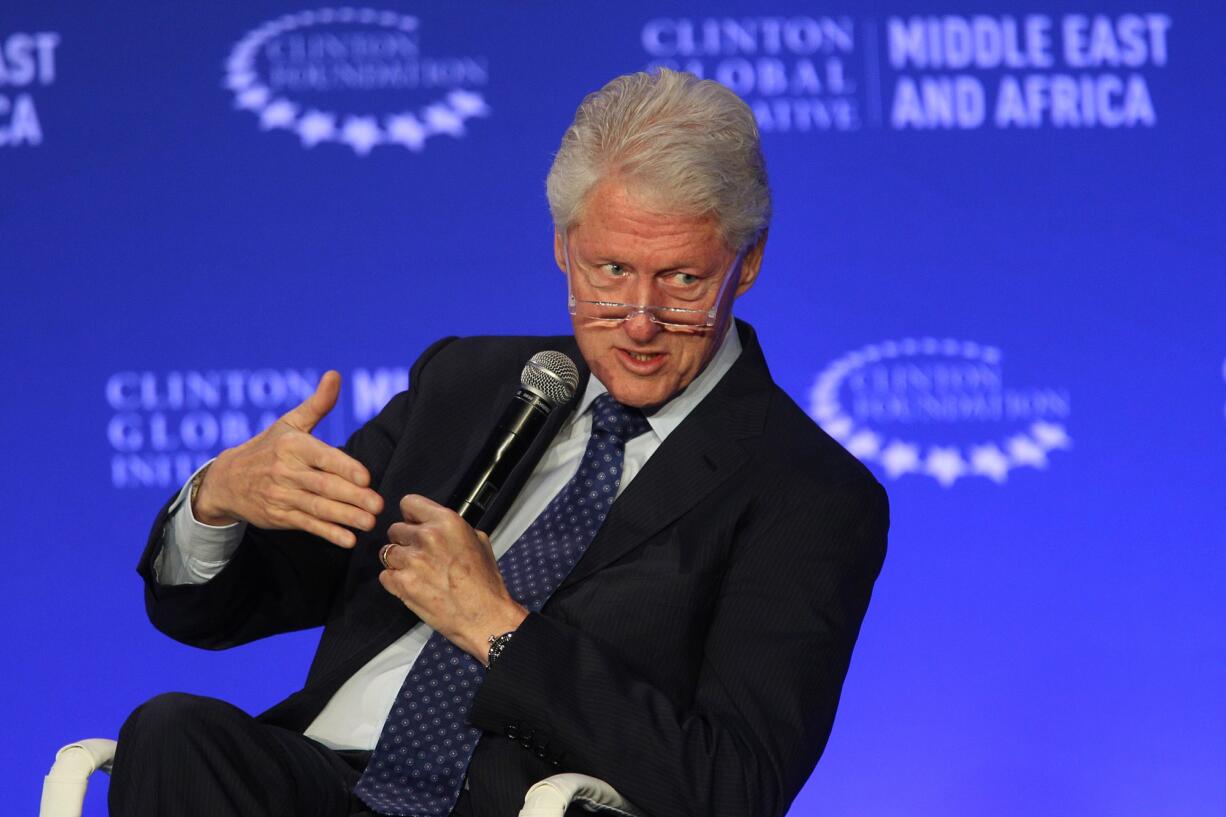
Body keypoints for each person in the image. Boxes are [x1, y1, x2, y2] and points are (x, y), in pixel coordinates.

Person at [110, 68, 888, 817]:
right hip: (320, 779)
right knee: (174, 732)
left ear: (745, 264)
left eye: (682, 279)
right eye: (611, 269)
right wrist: (218, 503)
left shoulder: (806, 490)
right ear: (561, 247)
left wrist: (498, 627)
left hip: (511, 802)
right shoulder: (468, 382)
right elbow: (213, 614)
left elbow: (733, 785)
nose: (641, 321)